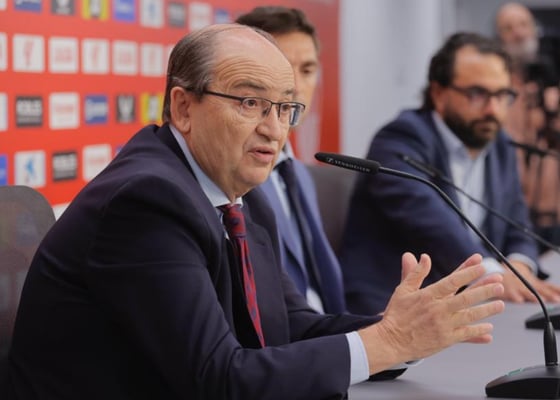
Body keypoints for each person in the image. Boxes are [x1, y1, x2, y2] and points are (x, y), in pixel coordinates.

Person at [7, 24, 505, 399]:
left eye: (285, 108)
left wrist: (402, 332)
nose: (275, 129)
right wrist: (386, 342)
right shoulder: (145, 203)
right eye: (250, 102)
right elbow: (217, 378)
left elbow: (287, 324)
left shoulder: (241, 192)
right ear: (183, 108)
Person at [339, 32, 560, 316]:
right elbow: (432, 225)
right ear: (439, 94)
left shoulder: (499, 144)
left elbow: (517, 224)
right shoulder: (399, 140)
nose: (493, 109)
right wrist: (494, 275)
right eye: (477, 94)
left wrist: (519, 265)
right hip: (390, 313)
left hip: (472, 307)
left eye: (502, 95)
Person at [235, 6, 344, 314]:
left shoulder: (297, 173)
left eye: (307, 70)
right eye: (281, 67)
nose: (295, 85)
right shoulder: (234, 175)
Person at [495, 2, 560, 253]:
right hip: (512, 211)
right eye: (508, 28)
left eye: (523, 25)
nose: (518, 33)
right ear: (500, 37)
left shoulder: (552, 82)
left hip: (554, 207)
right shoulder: (497, 89)